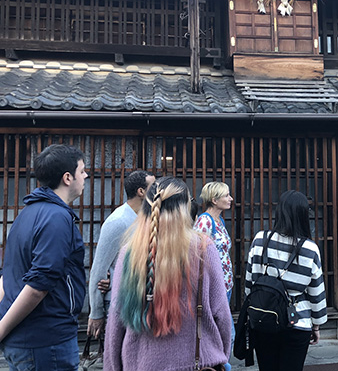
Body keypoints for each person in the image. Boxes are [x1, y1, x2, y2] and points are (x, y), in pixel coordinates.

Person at [104, 176, 231, 371]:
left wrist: (112, 367)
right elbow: (221, 314)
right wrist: (221, 355)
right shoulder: (203, 248)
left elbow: (116, 319)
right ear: (184, 209)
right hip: (195, 362)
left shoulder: (130, 251)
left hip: (140, 363)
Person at [0, 144, 88, 370]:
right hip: (46, 340)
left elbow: (8, 275)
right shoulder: (57, 217)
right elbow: (39, 285)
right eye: (82, 171)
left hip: (27, 338)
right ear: (67, 177)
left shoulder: (27, 212)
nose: (86, 175)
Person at [244, 190, 327, 371]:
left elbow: (249, 284)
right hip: (297, 322)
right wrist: (317, 325)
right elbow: (316, 293)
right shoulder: (309, 249)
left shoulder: (260, 240)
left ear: (279, 212)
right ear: (304, 215)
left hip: (264, 319)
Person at [87, 170, 155, 340]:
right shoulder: (118, 221)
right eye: (154, 186)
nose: (158, 189)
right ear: (141, 192)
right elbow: (99, 270)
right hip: (119, 301)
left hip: (141, 298)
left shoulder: (148, 216)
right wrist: (96, 312)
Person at [194, 181, 235, 370]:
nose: (230, 199)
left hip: (225, 284)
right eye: (226, 195)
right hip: (213, 286)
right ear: (214, 199)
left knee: (223, 330)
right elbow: (196, 254)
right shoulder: (205, 221)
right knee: (226, 332)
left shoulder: (219, 221)